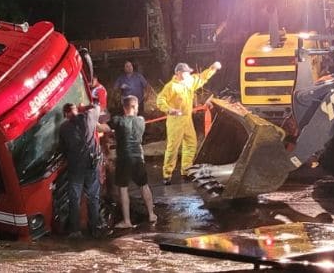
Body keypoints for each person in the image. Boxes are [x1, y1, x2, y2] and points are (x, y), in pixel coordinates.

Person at [156, 62, 221, 184]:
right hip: (175, 121)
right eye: (186, 72)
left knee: (191, 144)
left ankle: (186, 171)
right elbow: (160, 99)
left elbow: (201, 77)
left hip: (187, 119)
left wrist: (212, 68)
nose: (189, 74)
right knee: (172, 148)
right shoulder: (171, 87)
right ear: (179, 73)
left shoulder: (189, 82)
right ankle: (167, 174)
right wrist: (169, 109)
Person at [103, 95, 156, 228]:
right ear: (134, 106)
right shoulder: (141, 120)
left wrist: (93, 116)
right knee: (144, 186)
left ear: (124, 107)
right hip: (138, 157)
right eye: (137, 106)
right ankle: (151, 214)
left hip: (124, 159)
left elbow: (101, 128)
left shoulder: (118, 120)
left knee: (123, 189)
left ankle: (127, 221)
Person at [58, 101, 108, 238]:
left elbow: (63, 149)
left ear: (65, 114)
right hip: (91, 165)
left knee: (74, 198)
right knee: (93, 197)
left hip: (75, 168)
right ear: (76, 110)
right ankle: (95, 228)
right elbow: (97, 106)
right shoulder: (89, 117)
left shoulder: (63, 128)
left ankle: (75, 230)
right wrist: (84, 107)